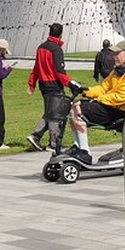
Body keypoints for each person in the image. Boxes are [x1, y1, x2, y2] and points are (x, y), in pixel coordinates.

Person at [68, 40, 125, 161]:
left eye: (117, 53)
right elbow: (104, 88)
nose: (114, 57)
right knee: (74, 105)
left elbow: (121, 97)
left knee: (79, 109)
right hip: (115, 107)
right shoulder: (119, 71)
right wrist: (85, 91)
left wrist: (97, 99)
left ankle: (84, 153)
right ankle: (79, 147)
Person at [26, 23, 73, 153]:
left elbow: (36, 68)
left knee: (50, 111)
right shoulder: (56, 49)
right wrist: (69, 83)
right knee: (56, 113)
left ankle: (36, 136)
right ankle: (53, 143)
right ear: (61, 34)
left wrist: (32, 83)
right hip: (54, 84)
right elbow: (59, 70)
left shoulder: (41, 47)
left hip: (43, 84)